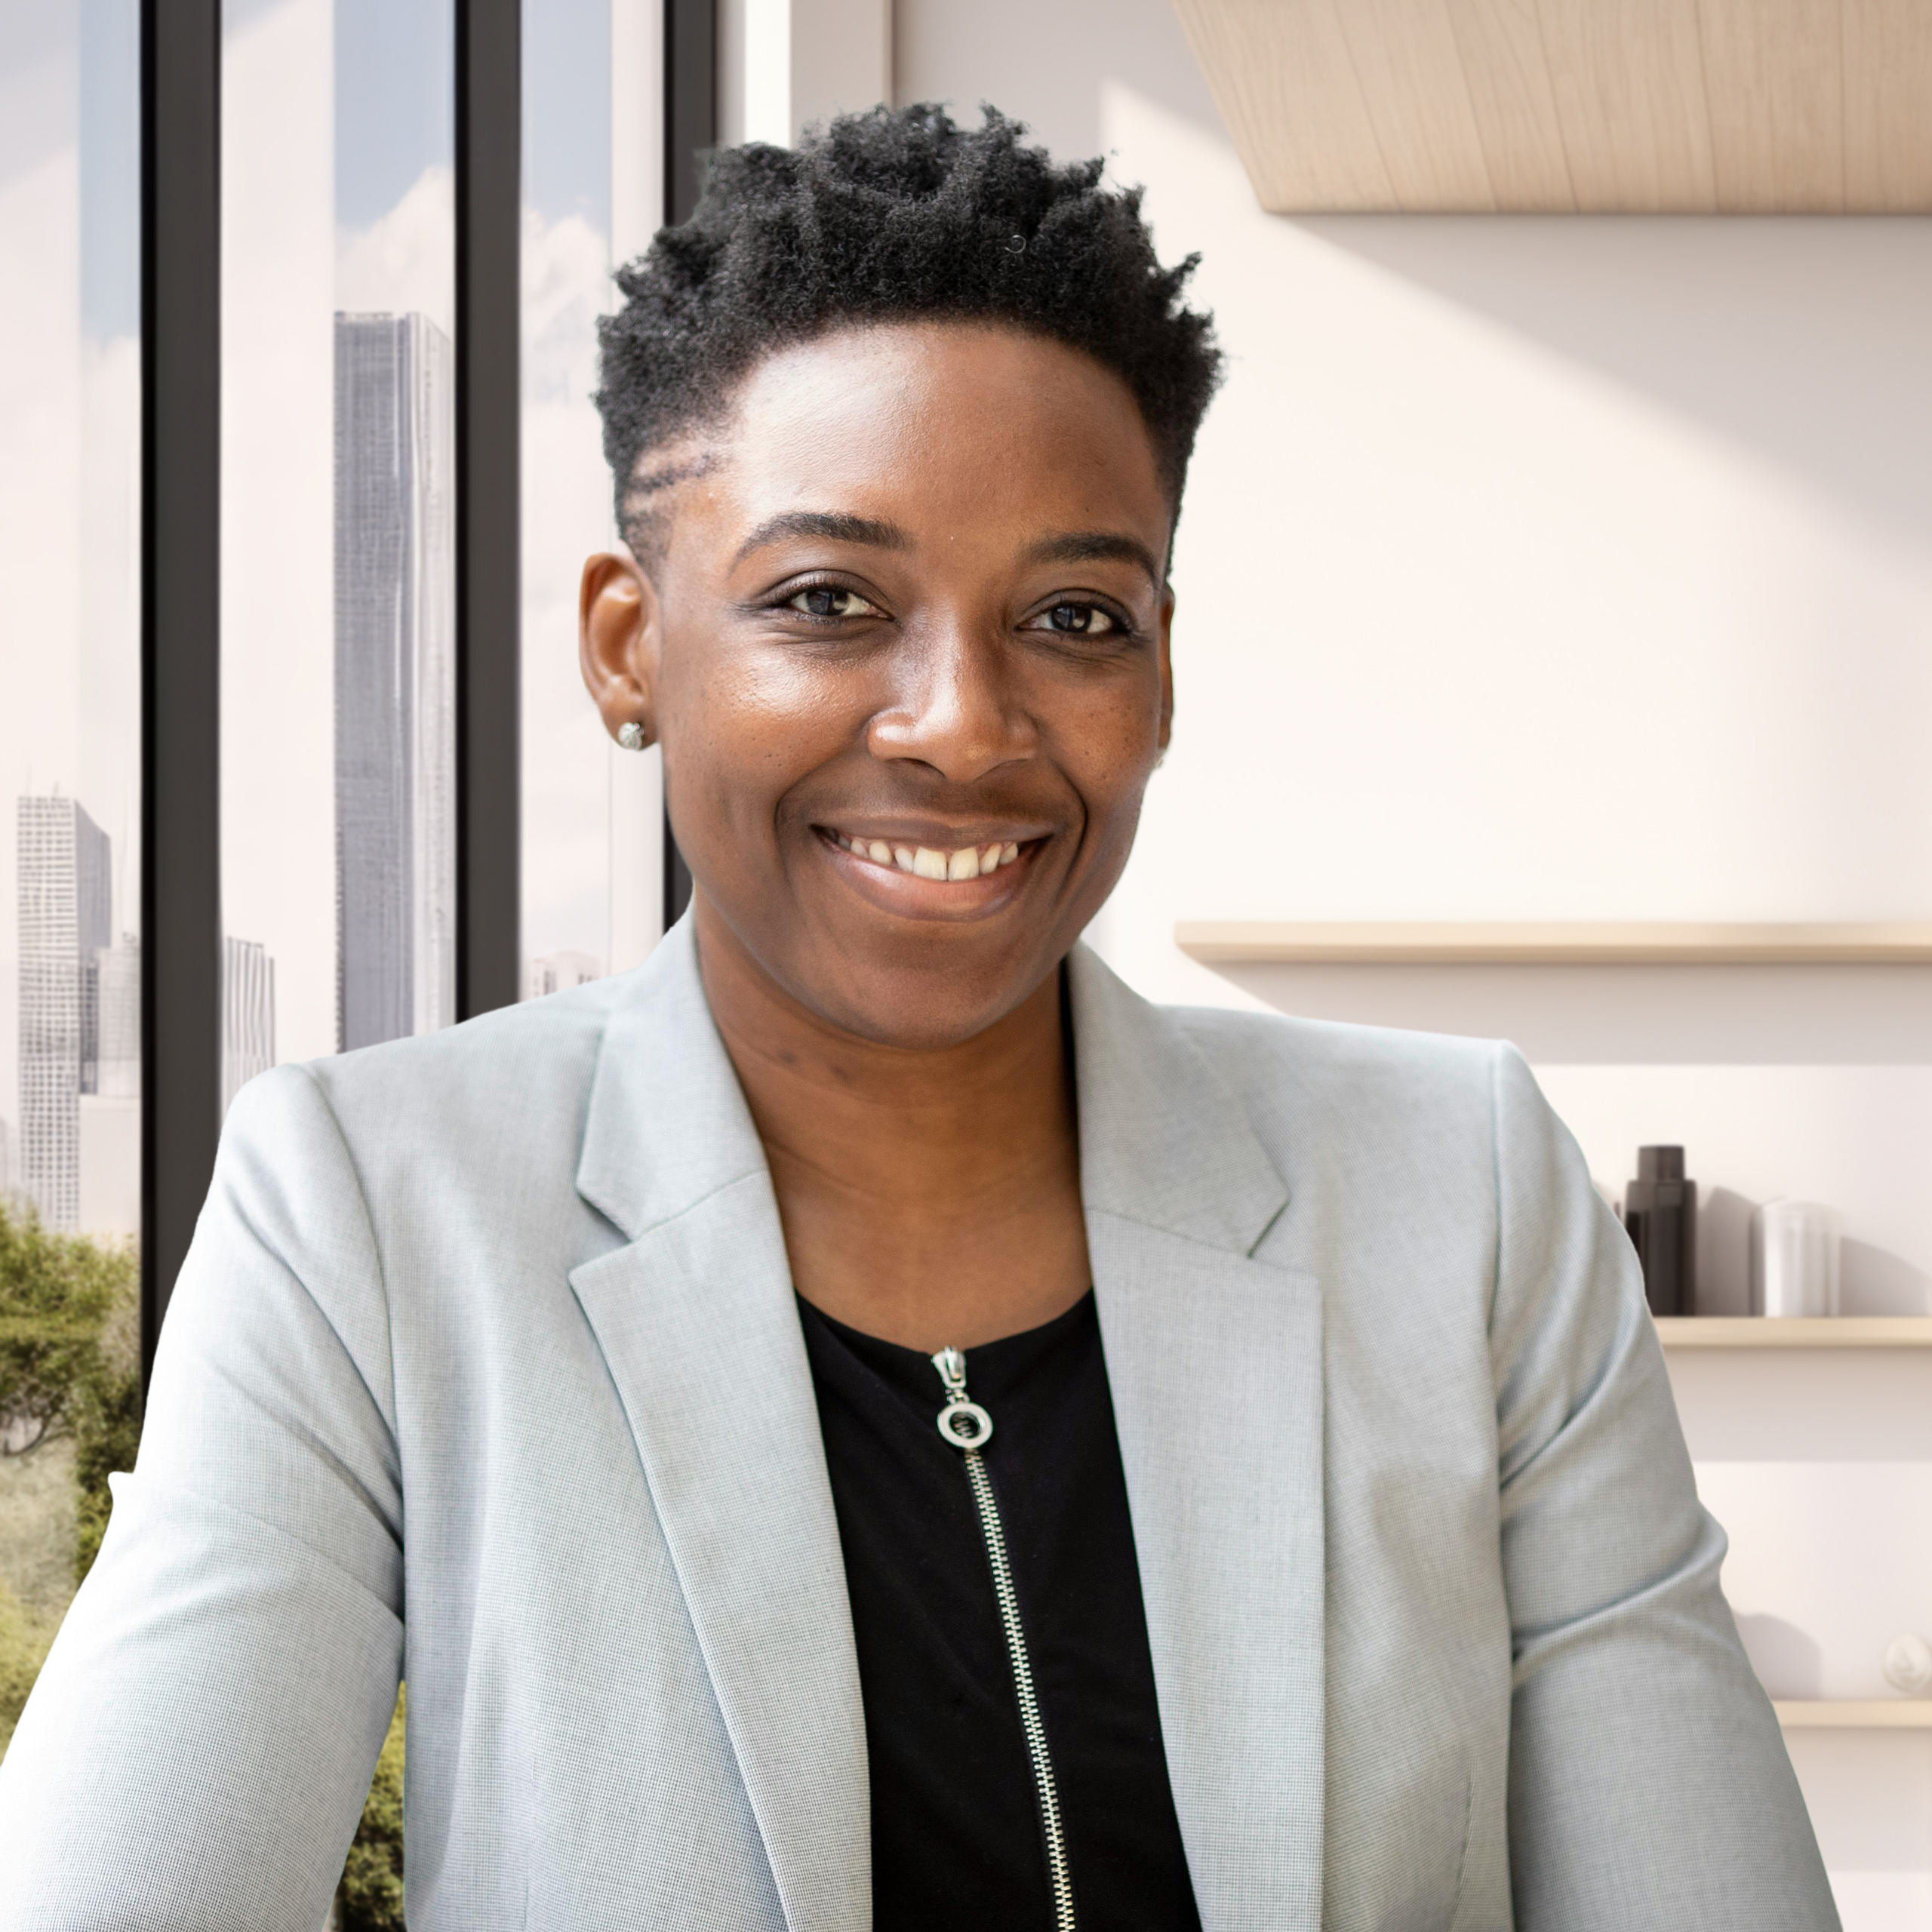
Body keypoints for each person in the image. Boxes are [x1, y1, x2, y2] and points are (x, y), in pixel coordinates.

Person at [0, 106, 1835, 1930]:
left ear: (1163, 666)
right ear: (632, 646)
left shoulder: (1466, 1192)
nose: (962, 721)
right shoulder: (369, 1212)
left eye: (1073, 614)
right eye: (825, 600)